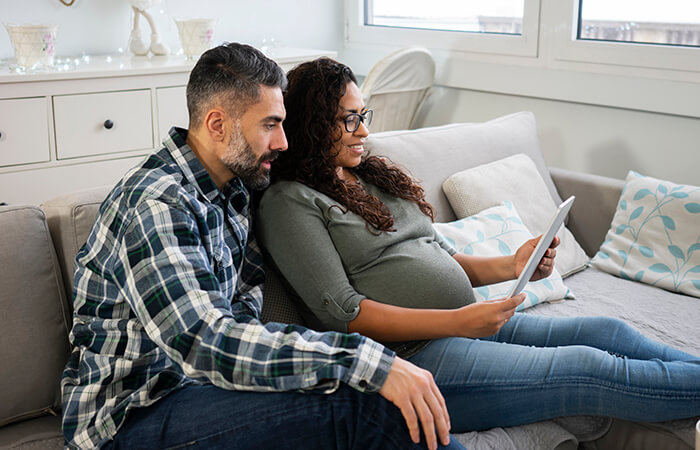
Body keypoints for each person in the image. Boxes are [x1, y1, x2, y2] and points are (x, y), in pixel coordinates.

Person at [257, 57, 700, 433]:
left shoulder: (368, 175)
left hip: (458, 327)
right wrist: (456, 321)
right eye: (348, 120)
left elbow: (441, 257)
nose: (362, 131)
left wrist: (514, 264)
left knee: (606, 332)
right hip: (409, 361)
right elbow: (345, 314)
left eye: (363, 116)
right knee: (590, 369)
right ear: (312, 125)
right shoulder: (290, 201)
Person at [60, 43, 465, 450]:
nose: (284, 142)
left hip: (204, 390)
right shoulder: (157, 206)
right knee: (362, 406)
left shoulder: (235, 191)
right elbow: (206, 342)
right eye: (270, 124)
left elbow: (243, 316)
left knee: (352, 394)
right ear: (217, 125)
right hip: (132, 416)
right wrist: (361, 357)